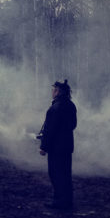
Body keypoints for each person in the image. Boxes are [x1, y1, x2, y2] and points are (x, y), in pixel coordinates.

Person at [38, 79, 78, 210]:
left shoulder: (55, 108)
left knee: (55, 174)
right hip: (67, 147)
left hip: (56, 148)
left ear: (57, 91)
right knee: (65, 174)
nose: (52, 92)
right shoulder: (71, 105)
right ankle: (67, 201)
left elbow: (50, 130)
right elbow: (73, 125)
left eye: (53, 89)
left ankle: (60, 202)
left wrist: (43, 147)